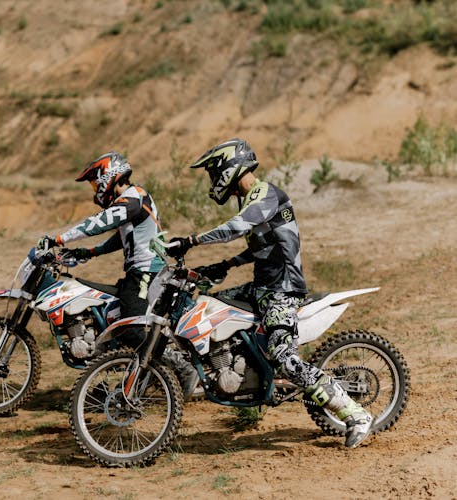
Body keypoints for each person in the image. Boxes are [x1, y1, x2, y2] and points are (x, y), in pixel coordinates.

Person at [166, 138, 372, 448]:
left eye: (213, 172)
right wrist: (223, 265)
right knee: (210, 305)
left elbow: (236, 228)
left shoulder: (266, 194)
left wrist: (192, 241)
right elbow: (260, 247)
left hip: (282, 290)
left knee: (283, 356)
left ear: (229, 168)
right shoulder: (249, 198)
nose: (212, 180)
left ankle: (355, 414)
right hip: (261, 287)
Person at [37, 151, 198, 397]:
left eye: (94, 181)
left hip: (146, 272)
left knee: (133, 329)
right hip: (140, 272)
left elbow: (99, 222)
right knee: (114, 320)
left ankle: (181, 367)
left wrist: (59, 238)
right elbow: (124, 237)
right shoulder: (134, 200)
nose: (94, 188)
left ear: (109, 175)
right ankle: (140, 376)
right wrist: (89, 252)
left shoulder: (132, 199)